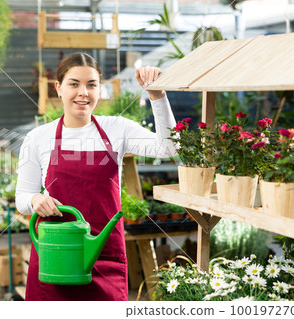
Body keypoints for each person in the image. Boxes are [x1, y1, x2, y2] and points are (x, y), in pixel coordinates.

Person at [15, 52, 177, 301]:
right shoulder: (38, 137)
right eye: (74, 84)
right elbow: (22, 197)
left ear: (100, 90)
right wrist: (36, 199)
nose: (83, 92)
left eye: (91, 85)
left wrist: (157, 96)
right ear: (58, 88)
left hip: (103, 253)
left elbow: (168, 148)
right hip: (55, 257)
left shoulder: (117, 128)